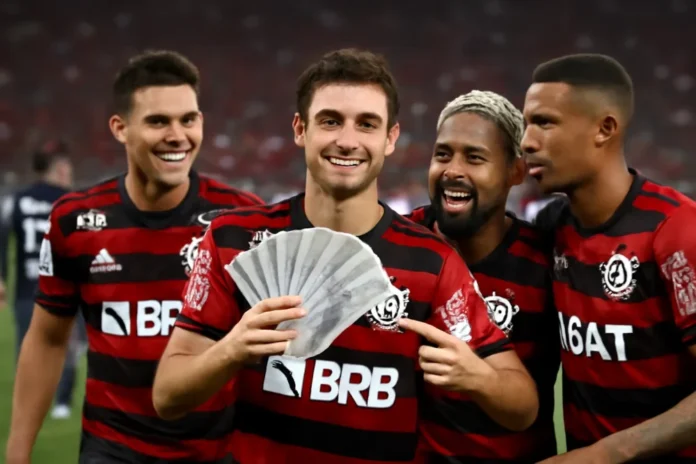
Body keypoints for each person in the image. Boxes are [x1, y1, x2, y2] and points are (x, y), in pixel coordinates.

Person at [153, 48, 538, 464]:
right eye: (330, 121)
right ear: (300, 129)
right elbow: (167, 397)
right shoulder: (233, 239)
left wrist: (478, 377)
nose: (348, 141)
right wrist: (231, 350)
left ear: (390, 138)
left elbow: (523, 408)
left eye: (366, 124)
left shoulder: (433, 261)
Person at [5, 50, 263, 464]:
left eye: (188, 120)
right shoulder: (75, 221)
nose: (178, 135)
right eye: (158, 121)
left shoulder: (243, 219)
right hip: (113, 449)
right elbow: (48, 339)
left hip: (216, 451)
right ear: (120, 128)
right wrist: (17, 454)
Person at [523, 54, 696, 463]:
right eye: (526, 124)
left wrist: (604, 455)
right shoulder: (552, 228)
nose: (527, 141)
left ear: (604, 128)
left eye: (544, 122)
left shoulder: (676, 230)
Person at [406, 90, 559, 462]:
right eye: (443, 154)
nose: (452, 170)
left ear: (515, 172)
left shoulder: (547, 262)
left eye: (474, 157)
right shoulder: (399, 245)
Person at [0, 142, 85, 420]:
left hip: (27, 287)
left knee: (27, 348)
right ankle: (62, 402)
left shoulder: (16, 200)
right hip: (63, 288)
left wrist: (1, 278)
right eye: (67, 167)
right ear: (59, 168)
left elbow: (1, 241)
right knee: (67, 346)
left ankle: (28, 402)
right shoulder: (70, 201)